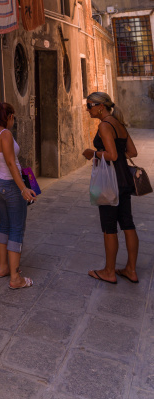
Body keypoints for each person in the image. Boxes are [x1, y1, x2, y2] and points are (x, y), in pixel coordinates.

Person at [0, 102, 37, 289]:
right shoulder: (6, 134)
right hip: (10, 185)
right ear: (9, 117)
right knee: (17, 229)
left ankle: (3, 268)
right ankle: (15, 278)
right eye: (13, 116)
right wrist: (23, 189)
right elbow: (12, 164)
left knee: (4, 224)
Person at [82, 91, 139, 284]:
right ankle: (131, 269)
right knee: (128, 224)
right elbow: (132, 151)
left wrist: (93, 153)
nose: (87, 109)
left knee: (109, 227)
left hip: (110, 182)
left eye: (89, 105)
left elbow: (112, 155)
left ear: (100, 106)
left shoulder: (105, 125)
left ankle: (109, 271)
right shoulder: (118, 123)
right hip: (124, 180)